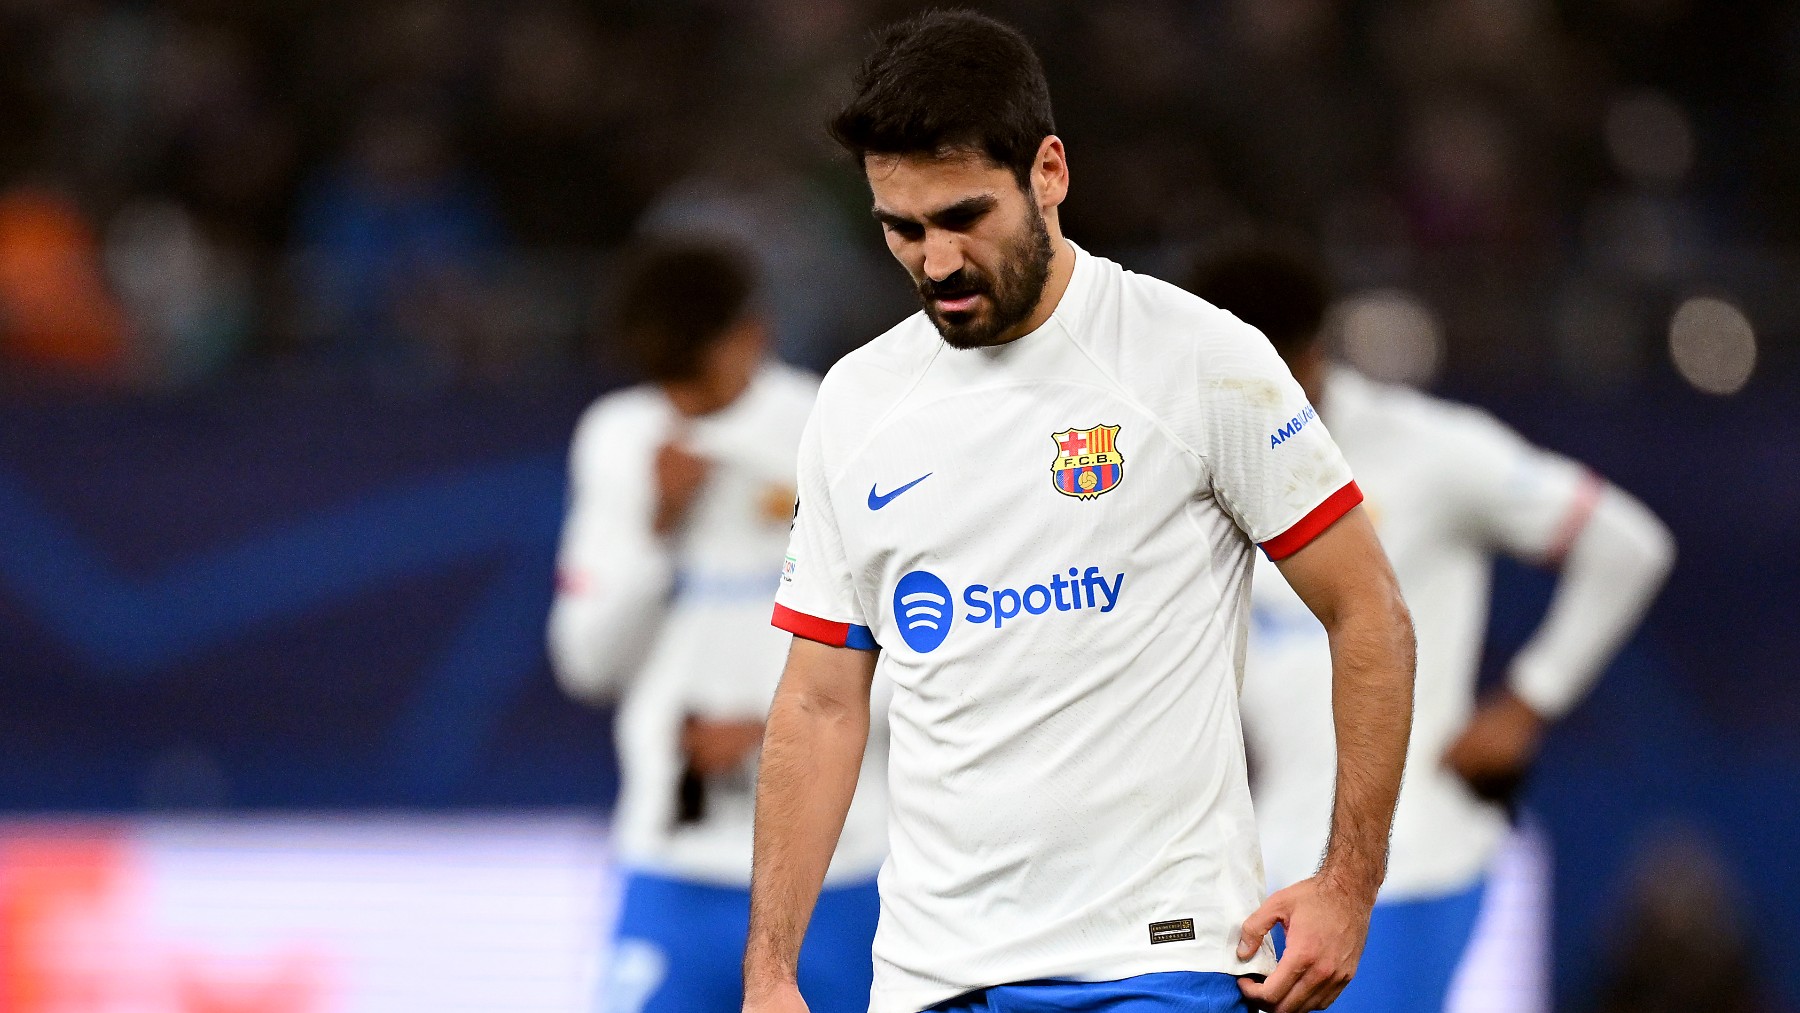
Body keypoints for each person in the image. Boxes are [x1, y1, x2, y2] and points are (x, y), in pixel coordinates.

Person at [741, 13, 1417, 1013]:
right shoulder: (856, 401)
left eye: (964, 214)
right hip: (933, 978)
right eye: (903, 228)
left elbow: (1370, 611)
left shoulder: (1197, 357)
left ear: (1048, 172)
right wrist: (771, 973)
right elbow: (820, 698)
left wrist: (1349, 883)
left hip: (1158, 962)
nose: (935, 262)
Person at [1187, 239, 1675, 1013]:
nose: (1244, 398)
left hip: (1405, 864)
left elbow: (1627, 544)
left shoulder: (1428, 450)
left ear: (1312, 354)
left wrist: (1527, 702)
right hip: (1264, 863)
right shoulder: (1192, 456)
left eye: (1265, 374)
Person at [548, 239, 888, 1013]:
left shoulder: (832, 427)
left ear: (751, 337)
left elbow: (912, 642)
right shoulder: (617, 438)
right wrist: (654, 526)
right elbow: (586, 662)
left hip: (837, 864)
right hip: (673, 859)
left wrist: (776, 734)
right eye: (661, 381)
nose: (681, 403)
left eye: (694, 377)